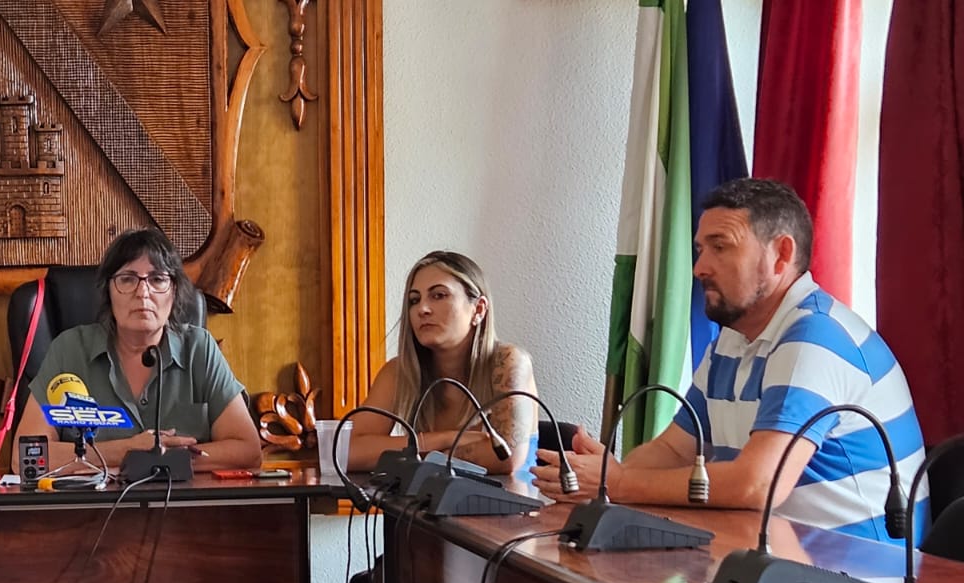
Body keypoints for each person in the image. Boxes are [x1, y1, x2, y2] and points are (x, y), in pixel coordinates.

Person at [536, 178, 925, 543]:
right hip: (771, 558)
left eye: (720, 247)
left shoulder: (816, 337)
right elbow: (673, 451)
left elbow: (759, 484)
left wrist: (617, 485)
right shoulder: (733, 340)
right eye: (700, 249)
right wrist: (605, 479)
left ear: (781, 255)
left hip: (861, 579)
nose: (699, 268)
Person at [18, 229, 263, 473]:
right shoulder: (69, 350)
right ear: (108, 292)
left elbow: (248, 451)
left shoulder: (199, 349)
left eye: (157, 279)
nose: (143, 292)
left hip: (185, 509)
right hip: (93, 508)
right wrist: (127, 450)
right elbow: (25, 457)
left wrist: (163, 458)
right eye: (127, 279)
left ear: (174, 291)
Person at [346, 250, 538, 475]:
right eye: (414, 300)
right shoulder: (400, 371)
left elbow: (505, 458)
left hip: (504, 507)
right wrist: (446, 438)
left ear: (478, 309)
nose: (422, 309)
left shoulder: (508, 362)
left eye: (439, 295)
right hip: (426, 507)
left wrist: (412, 453)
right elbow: (348, 453)